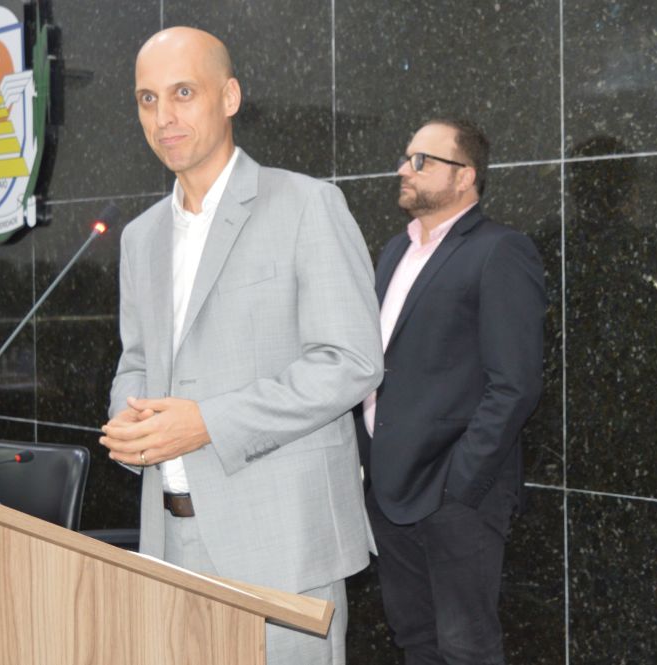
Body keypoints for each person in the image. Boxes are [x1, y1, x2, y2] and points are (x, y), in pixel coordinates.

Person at [99, 27, 382, 665]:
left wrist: (208, 423)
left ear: (229, 97)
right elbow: (136, 360)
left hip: (281, 543)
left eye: (183, 93)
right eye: (147, 99)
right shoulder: (141, 237)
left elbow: (352, 361)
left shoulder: (308, 204)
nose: (164, 118)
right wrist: (131, 419)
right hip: (167, 540)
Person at [356, 119, 545, 664]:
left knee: (466, 649)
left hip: (454, 493)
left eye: (422, 161)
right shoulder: (395, 250)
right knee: (414, 639)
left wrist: (460, 480)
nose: (404, 169)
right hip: (388, 487)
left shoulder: (500, 250)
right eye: (405, 157)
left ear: (465, 176)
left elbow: (515, 383)